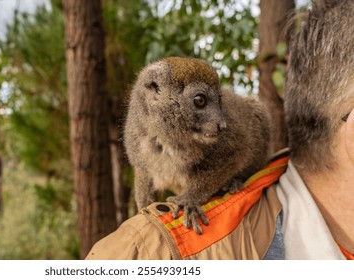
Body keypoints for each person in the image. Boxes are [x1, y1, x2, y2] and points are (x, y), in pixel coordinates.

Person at [85, 0, 354, 260]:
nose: (221, 121)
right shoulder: (139, 253)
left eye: (216, 101)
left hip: (233, 172)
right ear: (155, 92)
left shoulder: (223, 137)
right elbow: (143, 171)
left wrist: (193, 196)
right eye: (199, 101)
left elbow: (230, 154)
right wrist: (144, 219)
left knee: (256, 112)